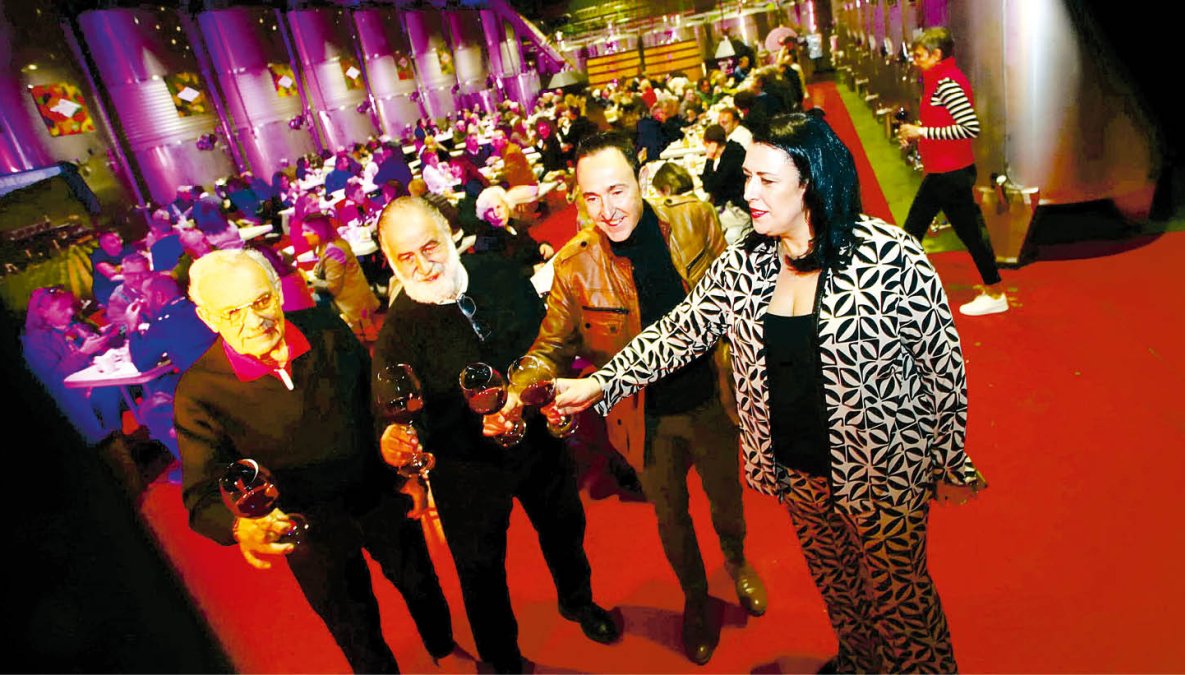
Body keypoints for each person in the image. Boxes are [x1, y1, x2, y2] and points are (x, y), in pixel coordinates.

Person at [556, 112, 988, 673]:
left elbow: (941, 368)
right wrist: (602, 381)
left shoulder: (888, 257)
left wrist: (947, 458)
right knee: (839, 590)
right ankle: (858, 664)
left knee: (902, 606)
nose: (748, 193)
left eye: (765, 180)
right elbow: (680, 331)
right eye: (747, 178)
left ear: (810, 182)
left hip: (882, 472)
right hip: (800, 473)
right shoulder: (747, 265)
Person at [519, 131, 766, 666]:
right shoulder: (574, 267)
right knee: (672, 519)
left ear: (642, 178)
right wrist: (523, 389)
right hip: (644, 420)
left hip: (712, 400)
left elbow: (734, 303)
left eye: (617, 191)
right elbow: (549, 348)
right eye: (591, 197)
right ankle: (696, 600)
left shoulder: (695, 220)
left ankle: (737, 560)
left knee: (727, 500)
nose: (606, 210)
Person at [174, 249, 460, 673]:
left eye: (261, 301)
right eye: (232, 312)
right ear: (207, 318)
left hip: (378, 491)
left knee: (421, 582)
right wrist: (239, 526)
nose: (254, 321)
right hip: (307, 526)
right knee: (353, 624)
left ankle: (446, 651)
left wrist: (401, 462)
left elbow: (374, 402)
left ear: (278, 291)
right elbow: (200, 495)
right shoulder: (199, 392)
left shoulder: (325, 326)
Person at [373, 198, 620, 673]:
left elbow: (545, 345)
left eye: (429, 247)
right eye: (406, 257)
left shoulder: (500, 274)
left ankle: (578, 601)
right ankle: (503, 659)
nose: (423, 266)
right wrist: (399, 438)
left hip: (537, 441)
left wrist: (533, 394)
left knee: (565, 529)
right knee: (480, 571)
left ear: (449, 233)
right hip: (466, 469)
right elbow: (398, 416)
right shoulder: (397, 331)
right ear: (390, 260)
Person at [898, 27, 1007, 316]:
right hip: (943, 171)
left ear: (936, 55)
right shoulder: (938, 80)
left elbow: (969, 127)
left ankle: (995, 291)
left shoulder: (947, 83)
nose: (915, 61)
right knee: (918, 230)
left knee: (960, 233)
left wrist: (922, 132)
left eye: (919, 56)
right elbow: (944, 123)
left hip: (950, 173)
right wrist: (918, 134)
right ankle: (899, 287)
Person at [126, 273, 217, 478]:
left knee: (150, 409)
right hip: (226, 376)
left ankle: (195, 468)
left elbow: (142, 363)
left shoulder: (163, 324)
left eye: (145, 296)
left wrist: (132, 327)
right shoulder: (201, 306)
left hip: (202, 388)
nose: (143, 301)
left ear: (159, 296)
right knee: (164, 385)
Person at [22, 286, 123, 443]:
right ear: (43, 312)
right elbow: (54, 379)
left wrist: (106, 338)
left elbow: (102, 348)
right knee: (111, 391)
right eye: (62, 309)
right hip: (78, 398)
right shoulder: (36, 342)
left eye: (69, 306)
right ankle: (113, 439)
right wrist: (83, 353)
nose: (70, 312)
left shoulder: (75, 324)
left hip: (98, 381)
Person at [299, 213, 380, 340]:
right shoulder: (331, 244)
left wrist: (309, 281)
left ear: (318, 232)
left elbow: (333, 287)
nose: (303, 234)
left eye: (307, 231)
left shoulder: (333, 250)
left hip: (350, 300)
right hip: (356, 294)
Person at [699, 125, 752, 244]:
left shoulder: (730, 160)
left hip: (740, 209)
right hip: (741, 201)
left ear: (712, 144)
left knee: (704, 222)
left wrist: (709, 158)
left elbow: (709, 186)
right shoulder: (733, 149)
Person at [90, 230, 129, 306]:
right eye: (112, 242)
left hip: (126, 286)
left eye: (118, 239)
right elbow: (113, 277)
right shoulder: (99, 257)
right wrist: (135, 276)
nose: (118, 242)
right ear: (104, 246)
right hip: (108, 292)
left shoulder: (127, 250)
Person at [147, 208, 184, 272]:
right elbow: (150, 253)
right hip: (164, 266)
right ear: (156, 222)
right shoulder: (152, 235)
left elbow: (185, 244)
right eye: (162, 222)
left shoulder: (176, 230)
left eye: (168, 221)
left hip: (180, 261)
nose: (167, 223)